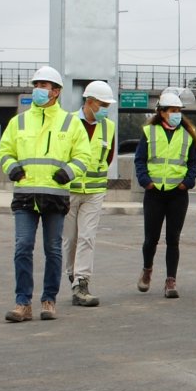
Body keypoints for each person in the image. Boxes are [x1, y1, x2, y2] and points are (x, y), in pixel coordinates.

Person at [0, 65, 92, 322]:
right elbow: (4, 151)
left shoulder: (70, 122)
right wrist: (12, 168)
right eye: (36, 85)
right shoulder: (19, 121)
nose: (38, 89)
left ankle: (48, 300)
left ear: (56, 92)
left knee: (53, 249)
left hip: (55, 195)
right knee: (23, 247)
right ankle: (22, 304)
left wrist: (69, 173)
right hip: (25, 195)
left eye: (44, 85)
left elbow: (84, 156)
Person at [134, 89, 196, 299]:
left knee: (173, 239)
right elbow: (140, 160)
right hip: (155, 194)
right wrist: (146, 182)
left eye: (179, 110)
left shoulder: (187, 135)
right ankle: (147, 270)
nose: (177, 114)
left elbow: (193, 162)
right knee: (151, 239)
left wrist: (187, 182)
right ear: (162, 112)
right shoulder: (149, 132)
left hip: (177, 194)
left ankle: (170, 280)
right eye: (172, 110)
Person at [62, 80, 116, 308]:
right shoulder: (69, 123)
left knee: (87, 237)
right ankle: (72, 273)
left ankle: (81, 282)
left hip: (94, 191)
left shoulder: (109, 127)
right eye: (102, 104)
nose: (105, 108)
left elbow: (109, 156)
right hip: (70, 191)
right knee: (70, 239)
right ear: (89, 101)